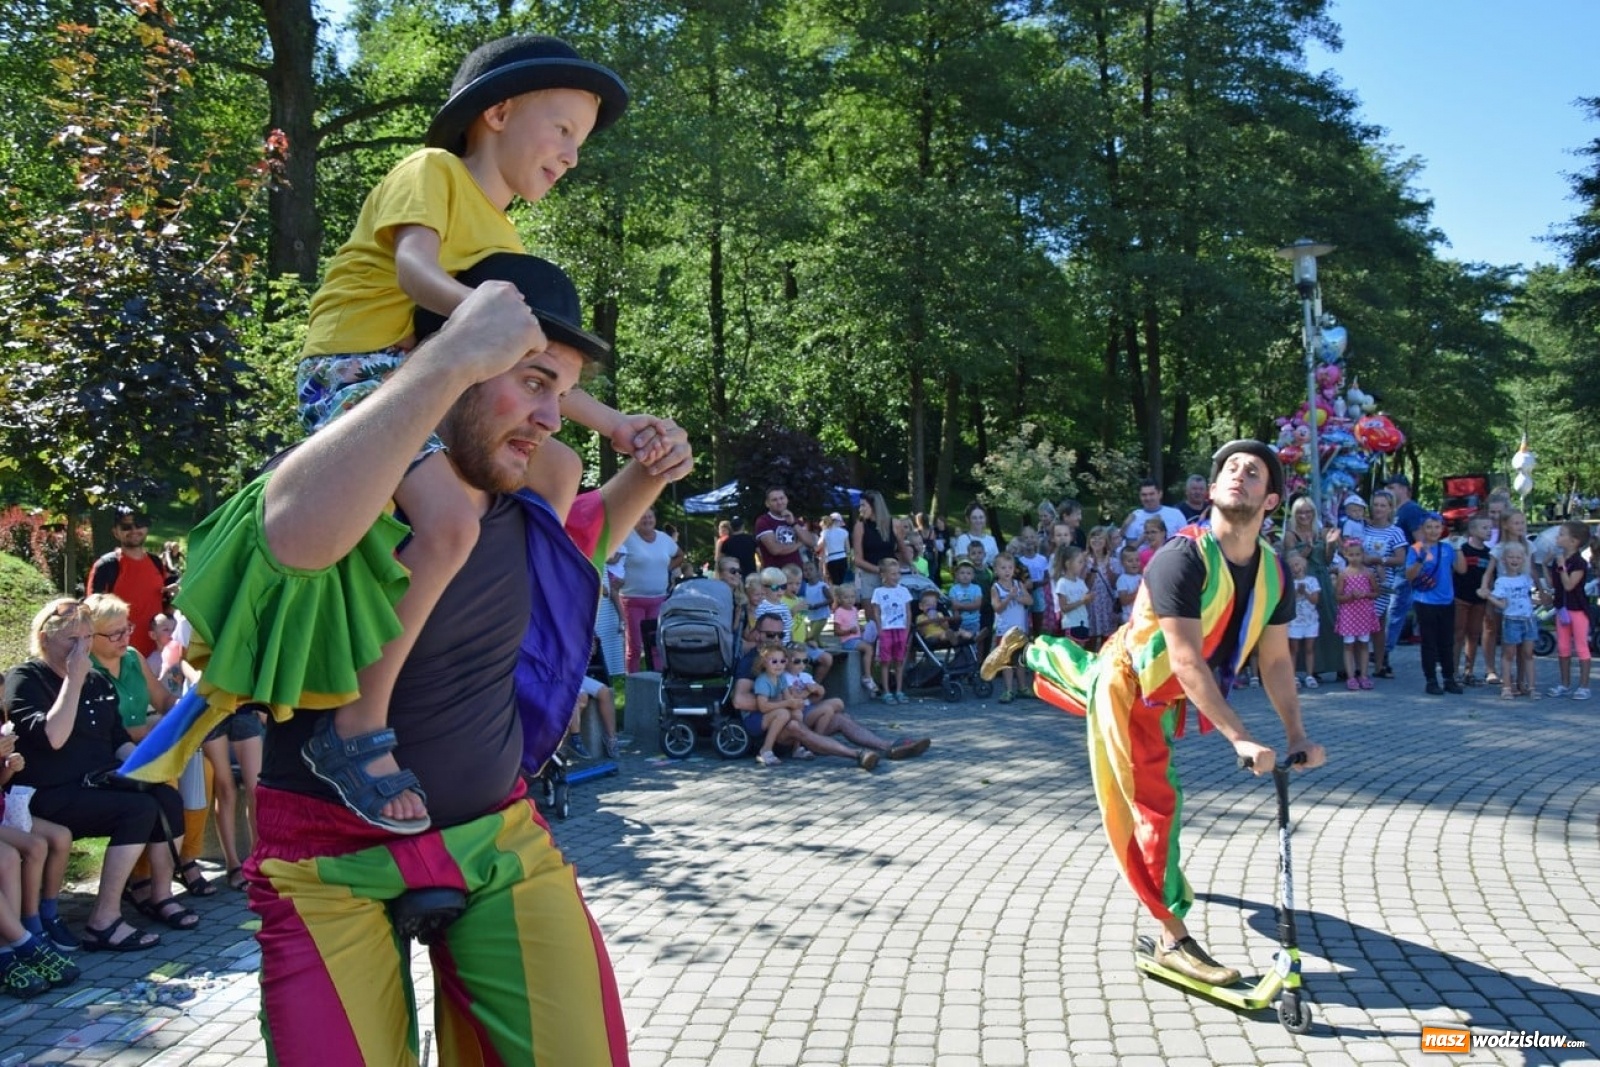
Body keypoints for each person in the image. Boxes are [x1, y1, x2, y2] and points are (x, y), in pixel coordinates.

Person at [175, 266, 691, 1060]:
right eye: (534, 382)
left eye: (563, 394)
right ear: (458, 351)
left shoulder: (527, 499)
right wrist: (445, 360)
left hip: (501, 841)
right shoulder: (345, 478)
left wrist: (650, 466)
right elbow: (292, 533)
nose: (553, 417)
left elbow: (584, 546)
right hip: (325, 865)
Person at [291, 36, 649, 836]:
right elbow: (415, 272)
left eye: (581, 142)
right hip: (358, 372)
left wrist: (616, 425)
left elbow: (532, 366)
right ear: (499, 112)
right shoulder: (433, 172)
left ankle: (511, 614)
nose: (573, 155)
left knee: (557, 466)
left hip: (433, 370)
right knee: (450, 521)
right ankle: (354, 725)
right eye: (563, 130)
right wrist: (482, 317)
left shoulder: (507, 242)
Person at [981, 441, 1325, 986]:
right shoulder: (1180, 558)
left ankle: (1026, 651)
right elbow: (1185, 661)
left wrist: (1296, 733)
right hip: (1135, 685)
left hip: (1159, 687)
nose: (1239, 474)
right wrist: (1239, 736)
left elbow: (1277, 659)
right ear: (1213, 489)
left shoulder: (1274, 574)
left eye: (1254, 471)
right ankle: (1171, 938)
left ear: (1271, 499)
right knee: (1153, 805)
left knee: (1084, 679)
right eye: (1230, 468)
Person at [5, 599, 187, 951]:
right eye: (73, 640)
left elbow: (117, 737)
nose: (82, 649)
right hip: (46, 793)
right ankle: (103, 920)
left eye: (87, 638)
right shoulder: (26, 678)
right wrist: (73, 680)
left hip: (95, 783)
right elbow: (53, 738)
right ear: (45, 638)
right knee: (137, 810)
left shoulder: (96, 680)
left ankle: (160, 895)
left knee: (165, 796)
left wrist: (146, 771)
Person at [730, 614, 928, 768]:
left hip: (790, 712)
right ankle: (857, 755)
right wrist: (783, 704)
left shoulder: (781, 659)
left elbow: (792, 690)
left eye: (780, 635)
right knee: (795, 725)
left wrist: (807, 693)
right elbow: (739, 700)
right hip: (769, 725)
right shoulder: (751, 662)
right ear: (757, 634)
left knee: (838, 716)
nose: (775, 639)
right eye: (769, 635)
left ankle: (889, 746)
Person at [88, 507, 177, 659]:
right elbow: (92, 614)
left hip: (157, 655)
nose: (134, 530)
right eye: (126, 527)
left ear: (146, 528)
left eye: (139, 524)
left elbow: (166, 608)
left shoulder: (156, 563)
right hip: (120, 657)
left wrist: (175, 597)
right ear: (116, 532)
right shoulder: (106, 566)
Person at [617, 507, 682, 673]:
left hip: (658, 599)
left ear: (655, 519)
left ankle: (657, 679)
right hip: (633, 599)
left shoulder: (664, 539)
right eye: (643, 517)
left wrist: (667, 569)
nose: (647, 520)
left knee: (655, 643)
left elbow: (680, 555)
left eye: (650, 516)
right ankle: (633, 680)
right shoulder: (626, 537)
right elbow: (612, 558)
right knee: (635, 645)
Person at [1404, 512, 1461, 695]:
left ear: (1442, 528)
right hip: (1425, 601)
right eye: (1429, 527)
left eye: (1437, 527)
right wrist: (1420, 560)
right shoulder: (1416, 549)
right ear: (1422, 529)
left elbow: (1461, 569)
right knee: (1429, 642)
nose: (1433, 531)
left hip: (1446, 601)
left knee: (1447, 642)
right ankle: (1431, 680)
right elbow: (1409, 575)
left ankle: (1449, 678)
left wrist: (1458, 547)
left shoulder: (1447, 548)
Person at [1359, 490, 1408, 680]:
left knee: (1377, 624)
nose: (1378, 509)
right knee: (1359, 623)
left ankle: (1379, 664)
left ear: (1390, 508)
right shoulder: (1363, 527)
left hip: (1381, 583)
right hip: (1359, 579)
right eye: (1376, 505)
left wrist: (1379, 560)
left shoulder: (1395, 532)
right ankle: (1358, 665)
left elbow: (1401, 558)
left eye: (1383, 505)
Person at [1545, 522, 1592, 700]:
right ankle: (1564, 683)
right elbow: (1553, 584)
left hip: (1577, 609)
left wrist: (1562, 566)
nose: (1558, 537)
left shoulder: (1579, 563)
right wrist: (1546, 565)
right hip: (1561, 609)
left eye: (1562, 534)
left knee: (1581, 647)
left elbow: (1569, 585)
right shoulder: (1559, 560)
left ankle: (1584, 686)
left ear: (1573, 541)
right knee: (1563, 647)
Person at [1383, 473, 1428, 652]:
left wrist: (1418, 563)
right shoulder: (1396, 510)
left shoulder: (1411, 510)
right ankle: (1383, 648)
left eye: (1391, 487)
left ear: (1404, 489)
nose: (1387, 490)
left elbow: (1421, 540)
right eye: (1386, 487)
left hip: (1405, 566)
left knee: (1395, 608)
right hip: (1394, 566)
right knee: (1392, 606)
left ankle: (1384, 649)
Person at [1488, 543, 1538, 700]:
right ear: (1503, 560)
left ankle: (1531, 687)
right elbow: (1502, 604)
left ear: (1523, 560)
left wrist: (1542, 599)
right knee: (1509, 654)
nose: (1514, 560)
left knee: (1528, 653)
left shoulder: (1526, 579)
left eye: (1518, 557)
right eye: (1511, 557)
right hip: (1512, 620)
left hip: (1528, 620)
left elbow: (1530, 598)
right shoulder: (1502, 581)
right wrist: (1488, 596)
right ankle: (1507, 687)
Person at [1335, 534, 1379, 689]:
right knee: (1348, 645)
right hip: (1349, 614)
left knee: (1364, 644)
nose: (1355, 558)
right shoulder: (1343, 574)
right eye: (1351, 555)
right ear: (1346, 555)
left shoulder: (1368, 573)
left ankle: (1364, 675)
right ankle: (1351, 676)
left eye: (1358, 554)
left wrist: (1365, 594)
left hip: (1364, 613)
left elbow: (1376, 592)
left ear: (1363, 555)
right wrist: (1350, 596)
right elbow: (1338, 596)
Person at [749, 642, 804, 767]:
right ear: (764, 663)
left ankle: (797, 748)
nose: (779, 665)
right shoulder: (763, 681)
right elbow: (763, 707)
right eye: (774, 661)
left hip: (771, 714)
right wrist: (787, 703)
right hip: (755, 719)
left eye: (782, 661)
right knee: (783, 713)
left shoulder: (781, 678)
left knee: (797, 713)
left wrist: (795, 703)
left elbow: (788, 698)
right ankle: (765, 750)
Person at [1453, 515, 1493, 685]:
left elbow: (1490, 578)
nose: (1489, 531)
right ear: (1472, 530)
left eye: (1490, 528)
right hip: (1460, 598)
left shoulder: (1489, 554)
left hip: (1479, 601)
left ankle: (1469, 672)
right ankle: (1453, 671)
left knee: (1474, 635)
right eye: (1484, 528)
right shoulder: (1461, 549)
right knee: (1458, 634)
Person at [870, 558, 914, 703]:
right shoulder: (878, 592)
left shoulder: (904, 590)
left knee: (899, 661)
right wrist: (880, 629)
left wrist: (907, 629)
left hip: (900, 629)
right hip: (886, 630)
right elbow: (876, 612)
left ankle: (899, 690)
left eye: (898, 573)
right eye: (893, 574)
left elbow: (908, 611)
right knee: (886, 662)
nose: (897, 577)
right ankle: (886, 691)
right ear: (883, 575)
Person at [989, 554, 1030, 702]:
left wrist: (1018, 597)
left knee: (1019, 660)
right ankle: (1008, 690)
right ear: (996, 570)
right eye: (1003, 568)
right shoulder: (996, 588)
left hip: (1019, 630)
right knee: (1007, 661)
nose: (1007, 571)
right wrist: (1008, 598)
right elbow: (997, 608)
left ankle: (1022, 687)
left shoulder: (1018, 584)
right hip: (1005, 630)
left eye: (1010, 568)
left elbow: (1030, 600)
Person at [829, 584, 879, 698]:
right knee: (868, 648)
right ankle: (867, 676)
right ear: (840, 599)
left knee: (870, 646)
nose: (850, 600)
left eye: (852, 597)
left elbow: (854, 623)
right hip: (847, 641)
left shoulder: (854, 610)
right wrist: (849, 631)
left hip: (856, 638)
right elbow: (836, 631)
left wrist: (860, 628)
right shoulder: (839, 612)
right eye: (846, 597)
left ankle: (868, 674)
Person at [754, 487, 818, 571]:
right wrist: (799, 543)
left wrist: (793, 524)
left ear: (787, 500)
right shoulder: (763, 521)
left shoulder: (794, 520)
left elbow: (812, 542)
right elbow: (775, 550)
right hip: (776, 574)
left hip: (797, 573)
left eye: (782, 498)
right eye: (774, 500)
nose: (779, 502)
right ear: (767, 503)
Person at [851, 491, 900, 599]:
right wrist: (881, 571)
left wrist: (909, 565)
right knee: (871, 608)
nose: (860, 509)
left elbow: (902, 549)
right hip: (870, 576)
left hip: (891, 577)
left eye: (863, 505)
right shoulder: (860, 526)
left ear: (874, 506)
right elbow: (857, 559)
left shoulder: (894, 524)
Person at [1120, 480, 1186, 547]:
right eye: (1144, 495)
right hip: (1142, 553)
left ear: (1160, 494)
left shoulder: (1176, 514)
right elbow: (1129, 549)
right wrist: (1144, 536)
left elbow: (1186, 541)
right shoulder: (1135, 516)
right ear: (1140, 496)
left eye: (1151, 494)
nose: (1148, 498)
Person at [820, 513, 852, 586]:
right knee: (842, 582)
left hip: (831, 560)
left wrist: (823, 567)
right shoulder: (844, 532)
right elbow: (848, 549)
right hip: (843, 558)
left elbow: (823, 550)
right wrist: (849, 562)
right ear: (838, 521)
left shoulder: (824, 533)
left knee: (834, 583)